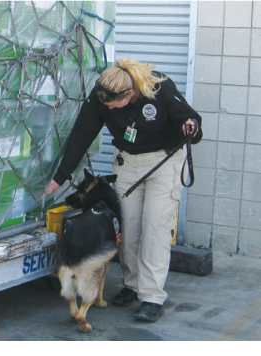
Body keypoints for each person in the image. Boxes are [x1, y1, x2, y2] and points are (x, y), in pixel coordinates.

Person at [45, 57, 202, 322]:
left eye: (113, 103)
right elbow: (82, 133)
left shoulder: (159, 88)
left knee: (154, 227)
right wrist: (61, 176)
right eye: (104, 103)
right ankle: (132, 285)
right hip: (128, 162)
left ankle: (151, 296)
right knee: (125, 227)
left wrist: (192, 128)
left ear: (130, 93)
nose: (108, 108)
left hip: (163, 162)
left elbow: (189, 120)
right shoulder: (102, 93)